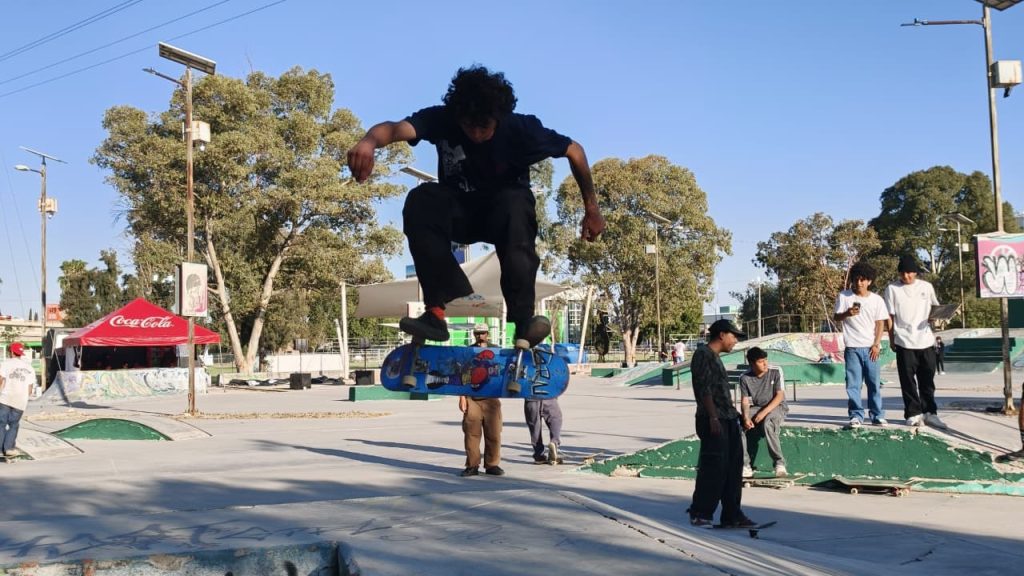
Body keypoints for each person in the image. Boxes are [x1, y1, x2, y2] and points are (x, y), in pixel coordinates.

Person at [347, 65, 606, 346]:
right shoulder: (442, 118)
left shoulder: (521, 129)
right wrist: (368, 141)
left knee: (516, 202)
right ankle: (435, 314)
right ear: (458, 116)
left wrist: (592, 209)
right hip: (460, 214)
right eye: (468, 126)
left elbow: (575, 151)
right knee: (421, 199)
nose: (476, 134)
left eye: (485, 127)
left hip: (503, 216)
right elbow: (395, 129)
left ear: (499, 118)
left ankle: (523, 322)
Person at [686, 319, 757, 528]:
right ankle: (700, 513)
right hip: (713, 419)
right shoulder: (703, 354)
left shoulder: (715, 357)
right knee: (713, 468)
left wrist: (737, 416)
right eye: (734, 336)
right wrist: (713, 417)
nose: (735, 341)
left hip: (727, 418)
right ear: (722, 335)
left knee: (733, 468)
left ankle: (732, 514)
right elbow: (704, 388)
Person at [884, 255, 946, 429]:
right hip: (904, 341)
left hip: (925, 340)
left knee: (927, 380)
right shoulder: (892, 289)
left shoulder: (926, 287)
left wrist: (937, 318)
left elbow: (935, 309)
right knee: (908, 381)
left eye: (910, 272)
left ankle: (930, 413)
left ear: (916, 273)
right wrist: (892, 339)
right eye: (903, 273)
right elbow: (889, 316)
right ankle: (913, 414)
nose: (906, 276)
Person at [834, 261, 890, 428]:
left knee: (874, 383)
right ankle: (856, 416)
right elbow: (836, 317)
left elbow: (880, 324)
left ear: (869, 281)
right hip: (852, 347)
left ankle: (877, 415)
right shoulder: (844, 296)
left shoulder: (877, 300)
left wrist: (876, 344)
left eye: (863, 280)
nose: (859, 283)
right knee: (853, 384)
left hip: (871, 348)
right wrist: (847, 313)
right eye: (856, 279)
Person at [739, 347, 788, 477]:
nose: (765, 363)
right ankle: (745, 466)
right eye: (761, 361)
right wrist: (745, 417)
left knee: (768, 423)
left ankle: (779, 463)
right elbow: (745, 401)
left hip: (777, 406)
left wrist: (763, 413)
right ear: (752, 363)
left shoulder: (775, 371)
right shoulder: (744, 377)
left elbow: (780, 396)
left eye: (765, 360)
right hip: (757, 407)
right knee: (738, 424)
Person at [0, 342, 35, 460]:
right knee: (14, 424)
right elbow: (30, 387)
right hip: (20, 400)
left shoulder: (5, 364)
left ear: (11, 352)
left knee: (1, 423)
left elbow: (1, 379)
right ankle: (9, 448)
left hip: (5, 398)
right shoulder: (29, 367)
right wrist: (25, 397)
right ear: (21, 353)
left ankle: (0, 449)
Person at [525, 397, 563, 464]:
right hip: (548, 396)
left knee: (534, 427)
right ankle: (554, 442)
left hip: (531, 398)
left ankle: (539, 455)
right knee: (555, 419)